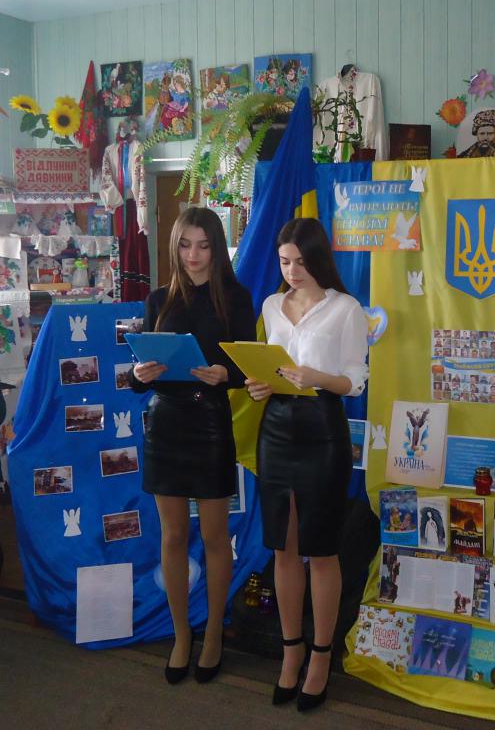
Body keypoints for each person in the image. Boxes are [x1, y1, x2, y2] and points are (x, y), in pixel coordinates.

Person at [245, 218, 368, 712]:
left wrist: (318, 377)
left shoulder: (346, 308)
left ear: (317, 258)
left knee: (321, 549)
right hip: (276, 428)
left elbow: (355, 381)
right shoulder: (271, 306)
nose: (292, 271)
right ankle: (290, 650)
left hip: (322, 428)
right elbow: (271, 367)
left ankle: (321, 655)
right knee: (284, 545)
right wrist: (260, 385)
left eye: (299, 261)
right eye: (284, 261)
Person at [129, 207, 256, 685]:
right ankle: (181, 634)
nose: (193, 255)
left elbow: (246, 369)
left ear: (217, 248)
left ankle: (214, 633)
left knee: (215, 536)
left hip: (209, 423)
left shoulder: (236, 298)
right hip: (166, 423)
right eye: (185, 245)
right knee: (173, 536)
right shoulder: (158, 299)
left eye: (203, 246)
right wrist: (140, 374)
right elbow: (140, 374)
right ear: (175, 247)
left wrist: (227, 374)